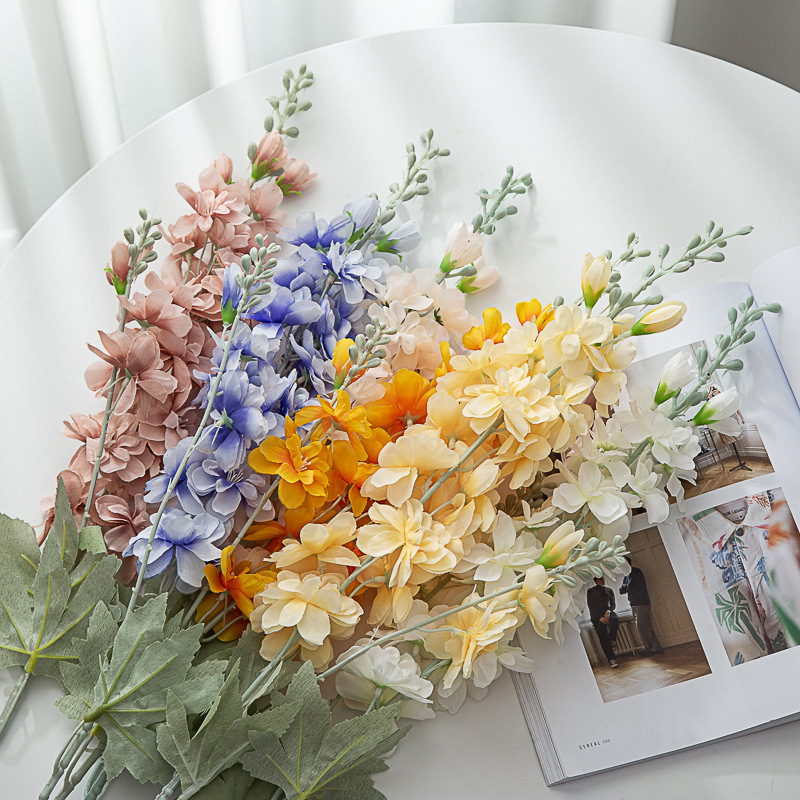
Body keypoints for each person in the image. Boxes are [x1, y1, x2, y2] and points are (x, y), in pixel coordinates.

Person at [620, 556, 663, 656]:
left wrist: (626, 587)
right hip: (634, 604)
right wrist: (626, 587)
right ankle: (655, 648)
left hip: (642, 603)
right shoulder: (626, 576)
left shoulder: (636, 572)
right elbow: (621, 590)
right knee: (643, 627)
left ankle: (649, 649)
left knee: (643, 627)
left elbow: (632, 587)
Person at [587, 576, 619, 668]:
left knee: (615, 619)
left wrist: (608, 612)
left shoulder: (609, 590)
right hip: (596, 616)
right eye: (600, 579)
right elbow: (591, 606)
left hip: (607, 612)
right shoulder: (590, 591)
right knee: (603, 637)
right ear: (595, 581)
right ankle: (611, 659)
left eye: (603, 579)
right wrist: (600, 618)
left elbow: (613, 604)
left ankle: (612, 639)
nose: (603, 581)